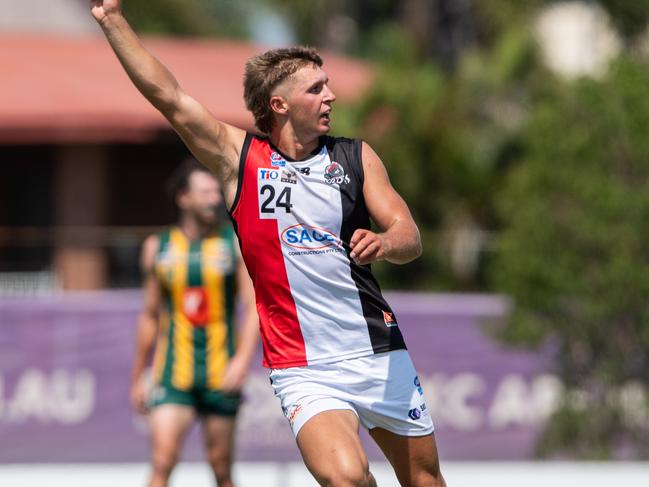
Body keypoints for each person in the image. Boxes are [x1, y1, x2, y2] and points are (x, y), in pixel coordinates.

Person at [91, 1, 446, 485]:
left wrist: (385, 242)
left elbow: (410, 236)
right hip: (303, 367)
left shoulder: (356, 157)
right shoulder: (240, 161)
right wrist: (112, 20)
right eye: (316, 88)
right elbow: (169, 96)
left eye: (328, 85)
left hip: (377, 350)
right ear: (279, 104)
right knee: (347, 478)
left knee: (425, 481)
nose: (331, 96)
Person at [130, 159, 258, 487]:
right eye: (205, 191)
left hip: (221, 373)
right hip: (173, 375)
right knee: (162, 461)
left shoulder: (234, 243)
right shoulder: (157, 247)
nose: (214, 198)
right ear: (183, 198)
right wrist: (138, 376)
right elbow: (149, 315)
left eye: (217, 191)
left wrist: (242, 362)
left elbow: (253, 305)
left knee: (221, 467)